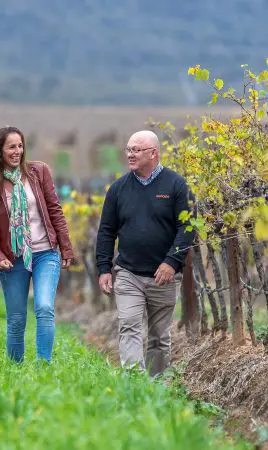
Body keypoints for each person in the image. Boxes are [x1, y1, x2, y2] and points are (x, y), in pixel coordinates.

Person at [95, 129, 195, 378]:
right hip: (128, 273)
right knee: (129, 325)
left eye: (136, 150)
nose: (130, 154)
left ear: (153, 153)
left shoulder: (176, 185)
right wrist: (104, 268)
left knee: (159, 337)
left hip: (164, 275)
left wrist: (172, 262)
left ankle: (156, 386)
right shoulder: (118, 189)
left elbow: (188, 227)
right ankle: (135, 383)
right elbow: (107, 231)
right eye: (128, 149)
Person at [0, 126, 74, 363]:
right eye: (11, 147)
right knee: (17, 319)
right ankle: (15, 370)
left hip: (45, 253)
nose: (17, 151)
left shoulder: (38, 172)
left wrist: (66, 246)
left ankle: (44, 365)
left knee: (43, 308)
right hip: (13, 258)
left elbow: (54, 209)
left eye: (20, 146)